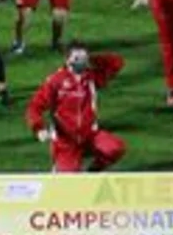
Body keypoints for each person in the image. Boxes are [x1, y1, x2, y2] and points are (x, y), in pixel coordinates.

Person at [27, 41, 127, 172]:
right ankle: (60, 168)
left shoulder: (92, 77)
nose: (80, 62)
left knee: (115, 148)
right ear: (68, 59)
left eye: (83, 58)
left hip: (90, 136)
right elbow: (34, 107)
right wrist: (38, 128)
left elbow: (117, 62)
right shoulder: (55, 81)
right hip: (66, 142)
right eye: (76, 58)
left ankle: (93, 172)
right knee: (68, 180)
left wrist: (93, 59)